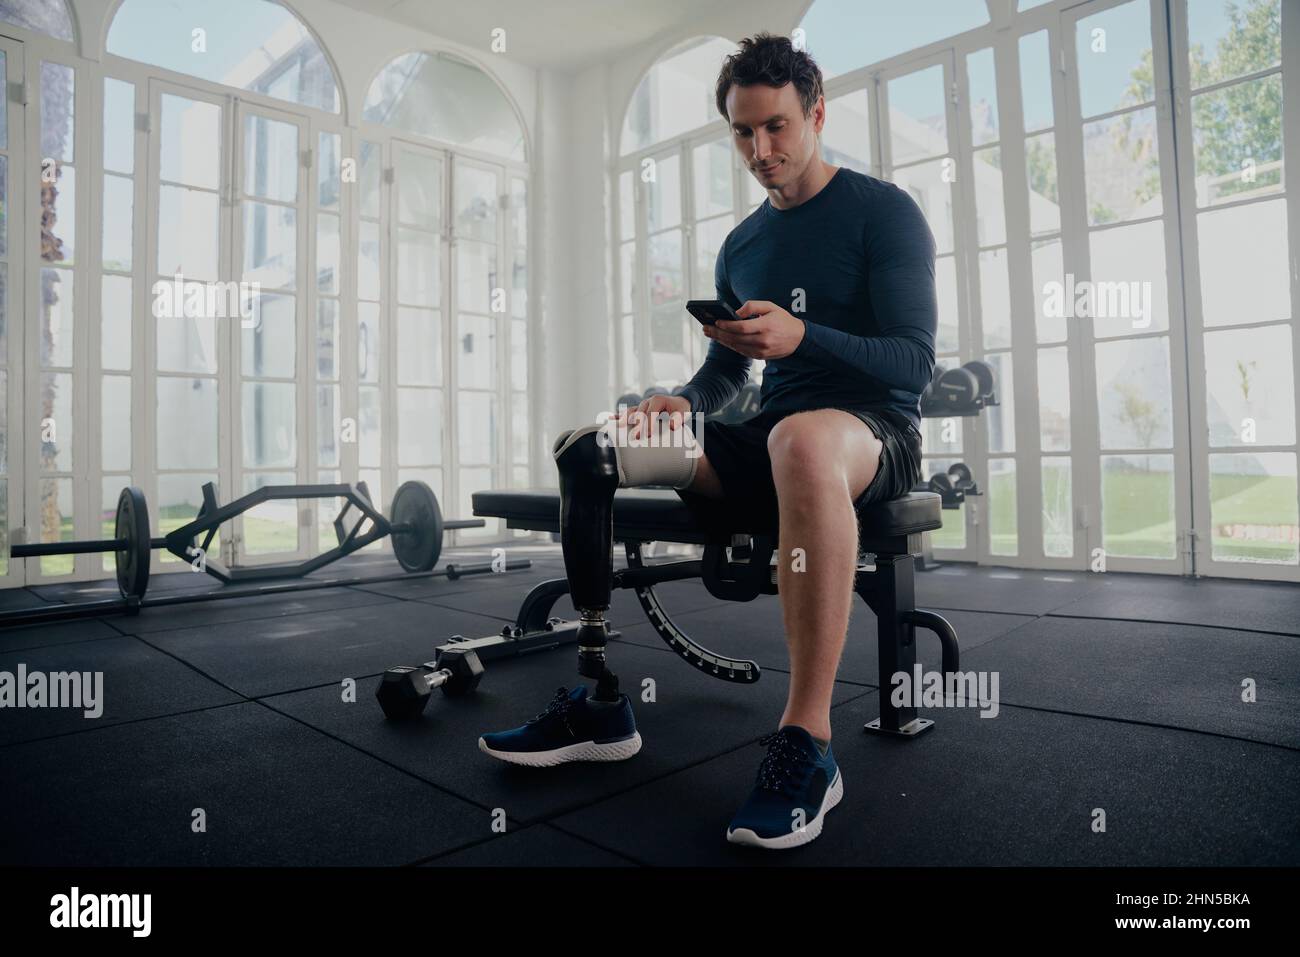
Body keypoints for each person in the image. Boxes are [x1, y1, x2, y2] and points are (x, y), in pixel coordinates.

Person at [479, 32, 936, 850]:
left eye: (776, 127)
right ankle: (598, 696)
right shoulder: (743, 245)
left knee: (798, 438)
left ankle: (809, 744)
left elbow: (914, 361)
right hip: (770, 437)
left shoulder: (883, 212)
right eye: (742, 132)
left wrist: (807, 338)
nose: (759, 149)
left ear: (816, 114)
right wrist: (681, 401)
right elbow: (728, 371)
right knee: (590, 443)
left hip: (872, 433)